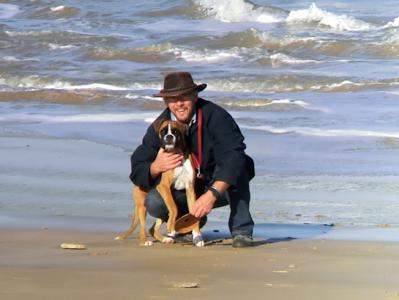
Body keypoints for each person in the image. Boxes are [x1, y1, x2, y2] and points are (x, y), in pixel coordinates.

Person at [129, 71, 255, 248]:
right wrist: (154, 167)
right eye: (173, 99)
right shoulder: (160, 126)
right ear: (166, 102)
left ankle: (241, 231)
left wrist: (212, 193)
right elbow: (137, 166)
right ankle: (186, 227)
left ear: (195, 96)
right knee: (154, 202)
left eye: (184, 97)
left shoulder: (216, 116)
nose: (179, 104)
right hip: (184, 188)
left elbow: (234, 154)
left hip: (216, 182)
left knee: (241, 165)